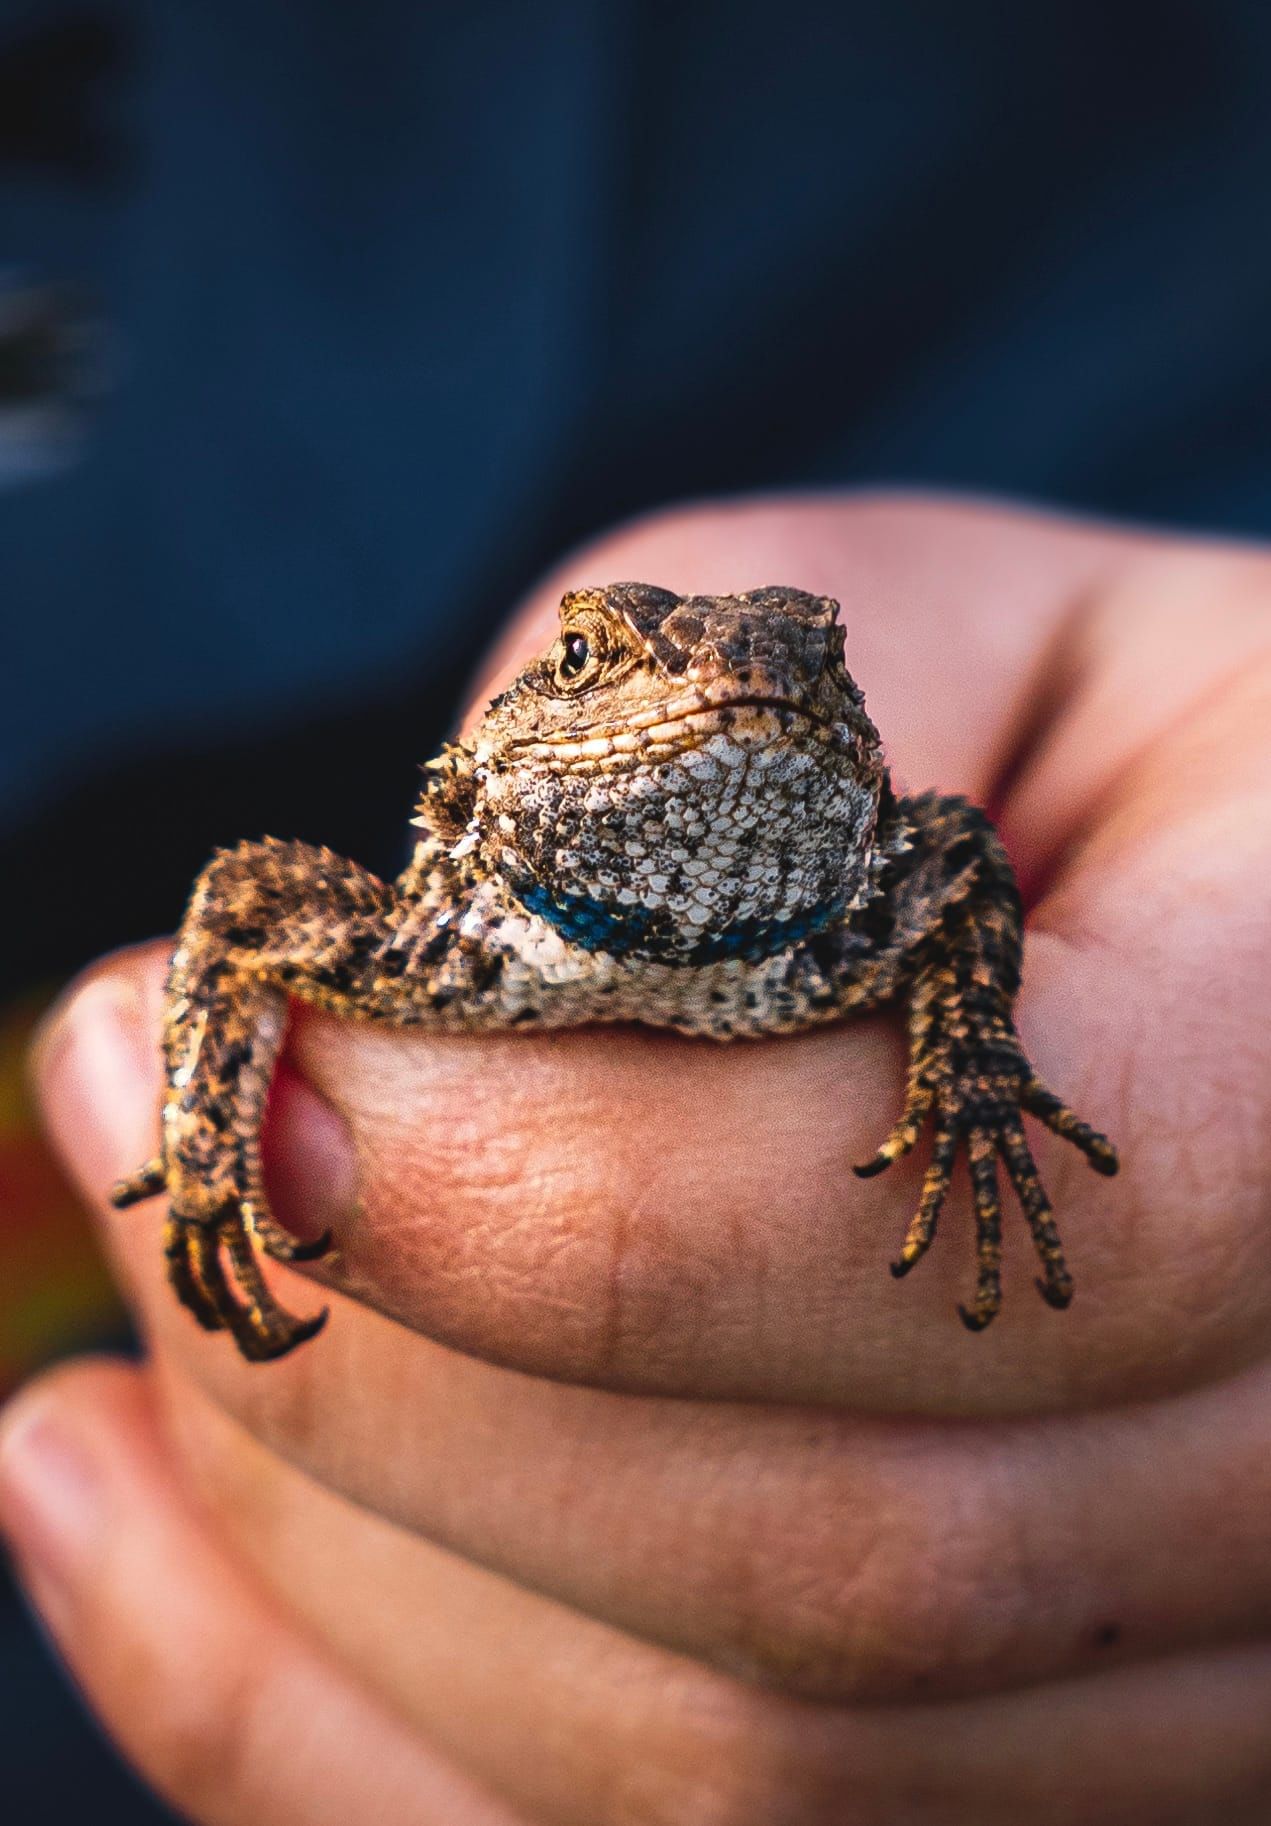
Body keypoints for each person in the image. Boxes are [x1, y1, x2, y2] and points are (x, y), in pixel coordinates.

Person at [5, 494, 1271, 1824]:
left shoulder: (857, 925)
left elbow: (955, 852)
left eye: (811, 666)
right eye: (590, 665)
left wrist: (975, 1066)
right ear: (488, 763)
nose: (738, 690)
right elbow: (245, 901)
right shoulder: (445, 937)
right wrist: (206, 1153)